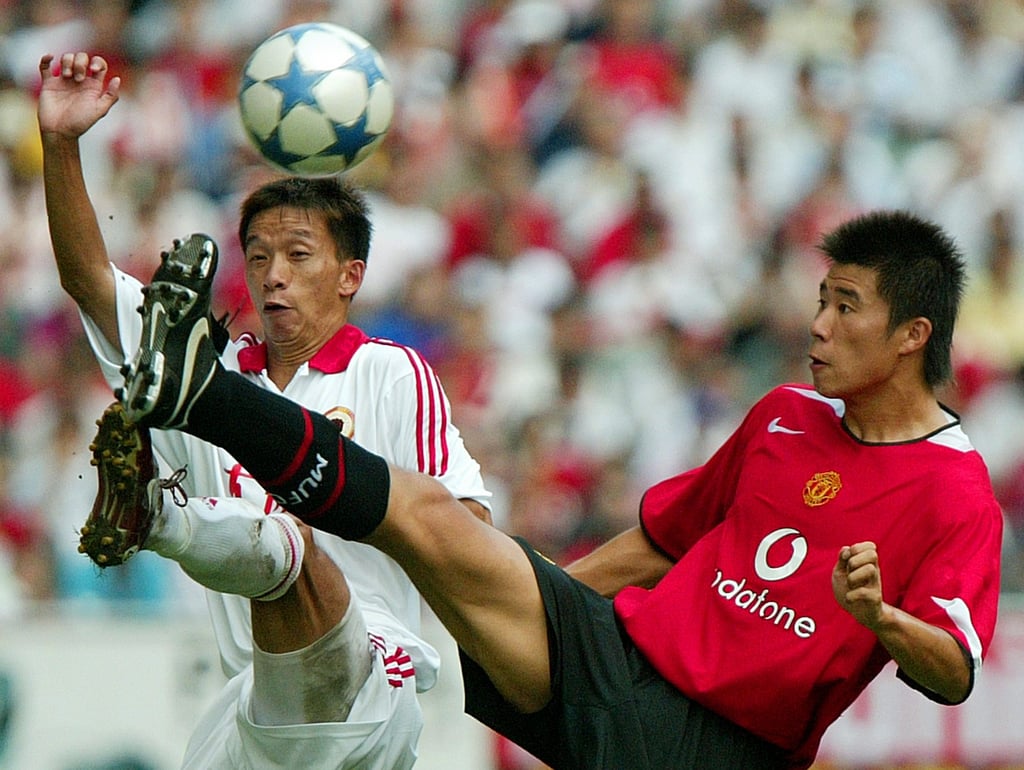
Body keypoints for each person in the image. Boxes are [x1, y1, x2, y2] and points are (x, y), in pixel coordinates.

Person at [115, 201, 1003, 769]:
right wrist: (532, 599)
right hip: (622, 659)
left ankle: (188, 456)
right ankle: (202, 395)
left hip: (719, 747)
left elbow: (955, 671)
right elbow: (659, 543)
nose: (818, 325)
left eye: (846, 306)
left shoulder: (956, 490)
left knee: (433, 529)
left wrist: (881, 617)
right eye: (821, 300)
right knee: (431, 515)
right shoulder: (783, 414)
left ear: (911, 335)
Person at [37, 52, 492, 769]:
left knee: (291, 541)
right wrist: (61, 143)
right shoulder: (198, 377)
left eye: (298, 255)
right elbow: (90, 281)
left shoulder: (390, 373)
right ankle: (168, 520)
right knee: (276, 544)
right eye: (257, 256)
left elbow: (471, 529)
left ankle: (159, 519)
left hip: (370, 691)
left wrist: (367, 505)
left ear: (350, 276)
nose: (274, 274)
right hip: (253, 710)